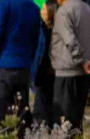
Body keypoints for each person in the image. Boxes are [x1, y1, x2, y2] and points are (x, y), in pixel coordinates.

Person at [0, 0, 41, 136]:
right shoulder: (34, 8)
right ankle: (20, 138)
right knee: (21, 106)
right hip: (24, 65)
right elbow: (35, 39)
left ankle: (2, 137)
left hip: (3, 65)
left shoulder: (4, 5)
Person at [50, 0, 90, 139]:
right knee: (77, 116)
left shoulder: (64, 12)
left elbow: (70, 40)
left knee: (64, 115)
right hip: (84, 74)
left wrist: (83, 61)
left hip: (66, 71)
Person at [32, 0, 58, 128]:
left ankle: (40, 125)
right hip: (56, 69)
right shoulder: (60, 29)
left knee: (41, 99)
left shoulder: (42, 28)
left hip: (43, 67)